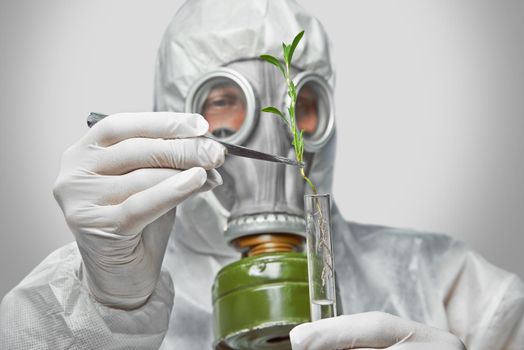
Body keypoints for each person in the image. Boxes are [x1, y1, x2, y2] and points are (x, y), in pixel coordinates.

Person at [1, 0, 523, 349]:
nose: (277, 137)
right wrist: (110, 306)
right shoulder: (81, 292)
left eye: (301, 102)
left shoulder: (447, 281)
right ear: (176, 113)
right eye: (228, 101)